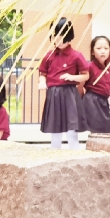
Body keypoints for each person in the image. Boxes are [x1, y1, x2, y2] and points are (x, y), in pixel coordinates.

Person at [38, 18, 89, 149]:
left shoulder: (76, 55)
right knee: (55, 131)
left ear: (68, 36)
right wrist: (42, 82)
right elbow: (42, 74)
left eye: (61, 36)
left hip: (70, 94)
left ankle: (74, 157)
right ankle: (55, 158)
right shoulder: (48, 56)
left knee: (71, 130)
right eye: (55, 36)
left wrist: (71, 77)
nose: (58, 40)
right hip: (53, 95)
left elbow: (86, 75)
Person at [80, 36, 110, 134]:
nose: (102, 51)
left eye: (106, 48)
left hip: (104, 101)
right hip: (92, 101)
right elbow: (80, 85)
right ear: (92, 52)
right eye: (99, 48)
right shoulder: (89, 66)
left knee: (106, 129)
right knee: (96, 130)